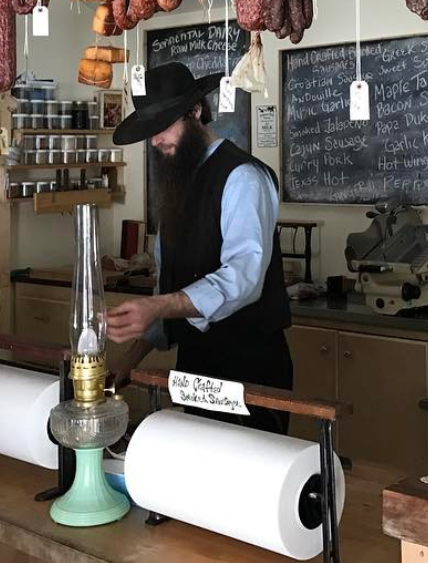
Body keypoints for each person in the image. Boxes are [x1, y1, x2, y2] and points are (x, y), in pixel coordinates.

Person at [107, 62, 293, 434]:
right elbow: (169, 284)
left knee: (245, 476)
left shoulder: (243, 177)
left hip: (249, 366)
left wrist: (156, 306)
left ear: (195, 112)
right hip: (195, 365)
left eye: (163, 126)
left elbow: (243, 278)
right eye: (149, 132)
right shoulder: (178, 181)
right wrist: (132, 358)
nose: (155, 140)